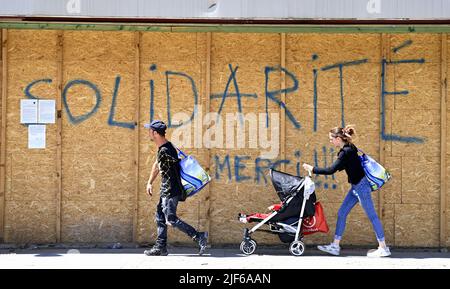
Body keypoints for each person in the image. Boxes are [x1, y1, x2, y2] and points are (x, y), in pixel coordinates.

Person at [302, 125, 391, 257]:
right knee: (342, 213)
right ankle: (335, 246)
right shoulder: (349, 148)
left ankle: (383, 247)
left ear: (338, 138)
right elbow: (344, 166)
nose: (330, 141)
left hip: (361, 187)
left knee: (372, 216)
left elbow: (330, 170)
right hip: (356, 187)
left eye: (331, 139)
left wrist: (312, 168)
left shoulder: (346, 152)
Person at [144, 120, 208, 256]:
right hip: (166, 189)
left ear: (155, 133)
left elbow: (166, 166)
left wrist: (162, 172)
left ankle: (199, 236)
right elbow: (157, 165)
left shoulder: (167, 150)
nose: (148, 132)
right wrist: (150, 182)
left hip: (171, 190)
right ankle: (160, 247)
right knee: (160, 215)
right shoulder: (164, 148)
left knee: (170, 219)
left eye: (150, 130)